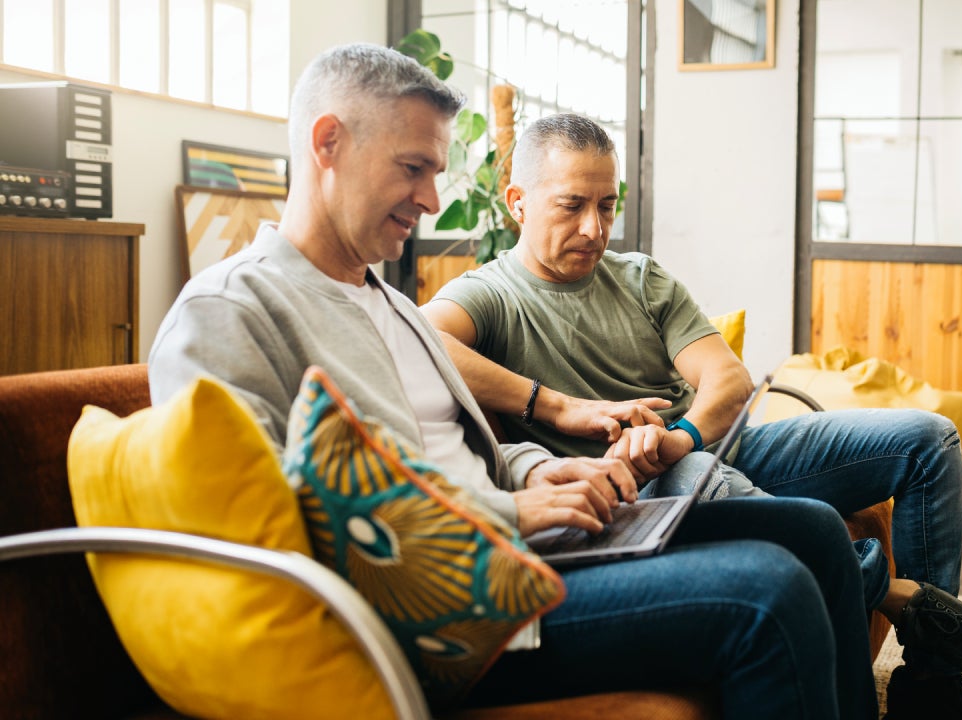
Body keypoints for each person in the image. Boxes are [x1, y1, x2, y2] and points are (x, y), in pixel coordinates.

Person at [149, 43, 882, 720]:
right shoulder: (231, 311)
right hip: (457, 603)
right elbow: (275, 523)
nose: (432, 199)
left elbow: (470, 449)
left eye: (435, 172)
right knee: (766, 594)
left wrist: (544, 469)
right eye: (414, 168)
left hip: (520, 541)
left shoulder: (389, 304)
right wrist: (507, 515)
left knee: (812, 531)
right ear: (327, 142)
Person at [424, 112, 962, 719]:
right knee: (699, 480)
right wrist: (555, 405)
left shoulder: (639, 278)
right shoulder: (490, 294)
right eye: (571, 205)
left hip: (710, 447)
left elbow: (728, 380)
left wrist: (682, 434)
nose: (594, 227)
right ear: (517, 202)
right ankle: (898, 595)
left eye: (607, 206)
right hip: (640, 489)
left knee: (928, 440)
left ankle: (928, 688)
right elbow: (423, 338)